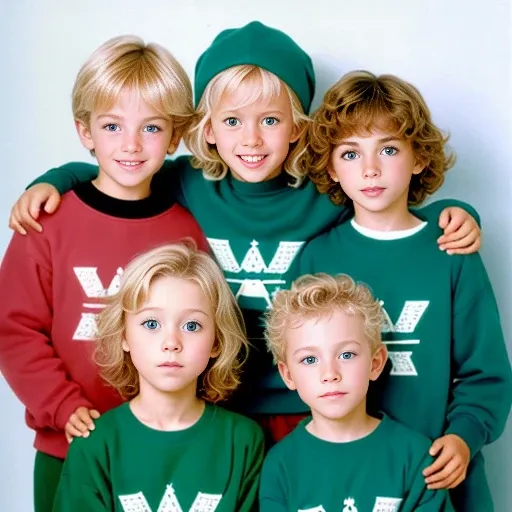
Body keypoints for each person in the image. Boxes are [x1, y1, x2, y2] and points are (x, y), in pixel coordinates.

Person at [7, 22, 481, 446]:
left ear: (298, 127)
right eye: (232, 121)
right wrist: (55, 179)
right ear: (207, 129)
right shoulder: (192, 184)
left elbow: (385, 206)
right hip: (216, 401)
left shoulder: (324, 193)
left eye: (270, 121)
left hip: (308, 405)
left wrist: (450, 210)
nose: (251, 140)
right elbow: (124, 174)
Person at [0, 35, 207, 512]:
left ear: (174, 136)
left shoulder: (187, 227)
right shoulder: (47, 221)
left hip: (166, 445)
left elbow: (204, 328)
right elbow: (15, 329)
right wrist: (62, 405)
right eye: (112, 126)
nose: (131, 145)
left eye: (151, 128)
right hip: (70, 442)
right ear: (85, 132)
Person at [295, 70, 512, 510]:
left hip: (439, 469)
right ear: (332, 168)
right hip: (348, 479)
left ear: (417, 158)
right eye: (351, 153)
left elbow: (485, 371)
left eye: (388, 149)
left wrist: (464, 438)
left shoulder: (450, 248)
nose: (370, 169)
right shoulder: (317, 259)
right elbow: (301, 366)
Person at [52, 243, 264, 512]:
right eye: (151, 324)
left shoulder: (242, 440)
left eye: (192, 325)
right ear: (124, 336)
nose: (171, 343)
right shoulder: (94, 444)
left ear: (216, 341)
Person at [260, 273, 453, 511]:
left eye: (346, 355)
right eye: (309, 359)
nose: (330, 373)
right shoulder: (281, 465)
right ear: (288, 374)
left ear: (375, 362)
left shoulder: (416, 455)